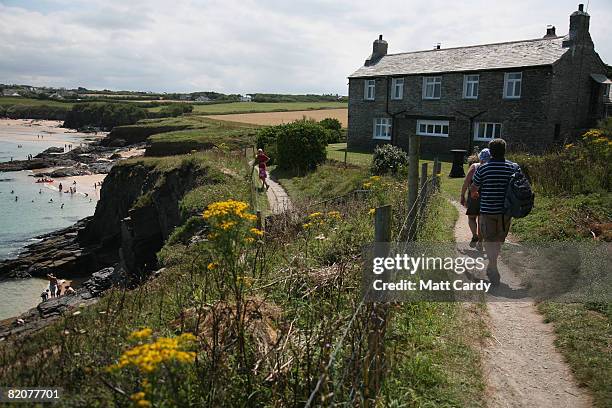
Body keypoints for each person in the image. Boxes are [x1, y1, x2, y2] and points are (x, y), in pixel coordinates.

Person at [470, 139, 518, 286]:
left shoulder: (484, 168)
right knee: (498, 239)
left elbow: (473, 188)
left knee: (490, 240)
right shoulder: (513, 167)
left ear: (490, 152)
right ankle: (493, 264)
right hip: (505, 212)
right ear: (504, 150)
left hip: (487, 210)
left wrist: (475, 194)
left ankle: (493, 265)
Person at [461, 148, 491, 250]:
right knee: (481, 220)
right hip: (486, 196)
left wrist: (462, 196)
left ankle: (474, 235)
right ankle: (480, 242)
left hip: (474, 195)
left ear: (480, 157)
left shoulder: (474, 166)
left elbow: (466, 182)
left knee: (472, 218)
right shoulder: (491, 169)